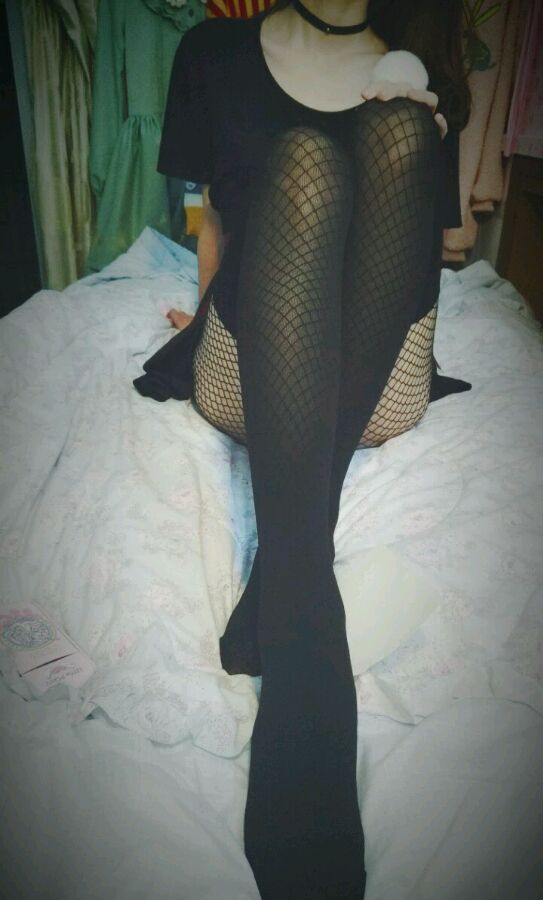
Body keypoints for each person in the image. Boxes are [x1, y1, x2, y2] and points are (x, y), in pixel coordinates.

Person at [134, 1, 472, 896]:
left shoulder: (426, 63)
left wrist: (426, 145)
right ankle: (305, 609)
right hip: (250, 356)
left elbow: (447, 245)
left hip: (377, 373)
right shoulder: (213, 51)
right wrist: (201, 318)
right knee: (303, 159)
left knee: (399, 130)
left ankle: (286, 568)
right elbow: (215, 225)